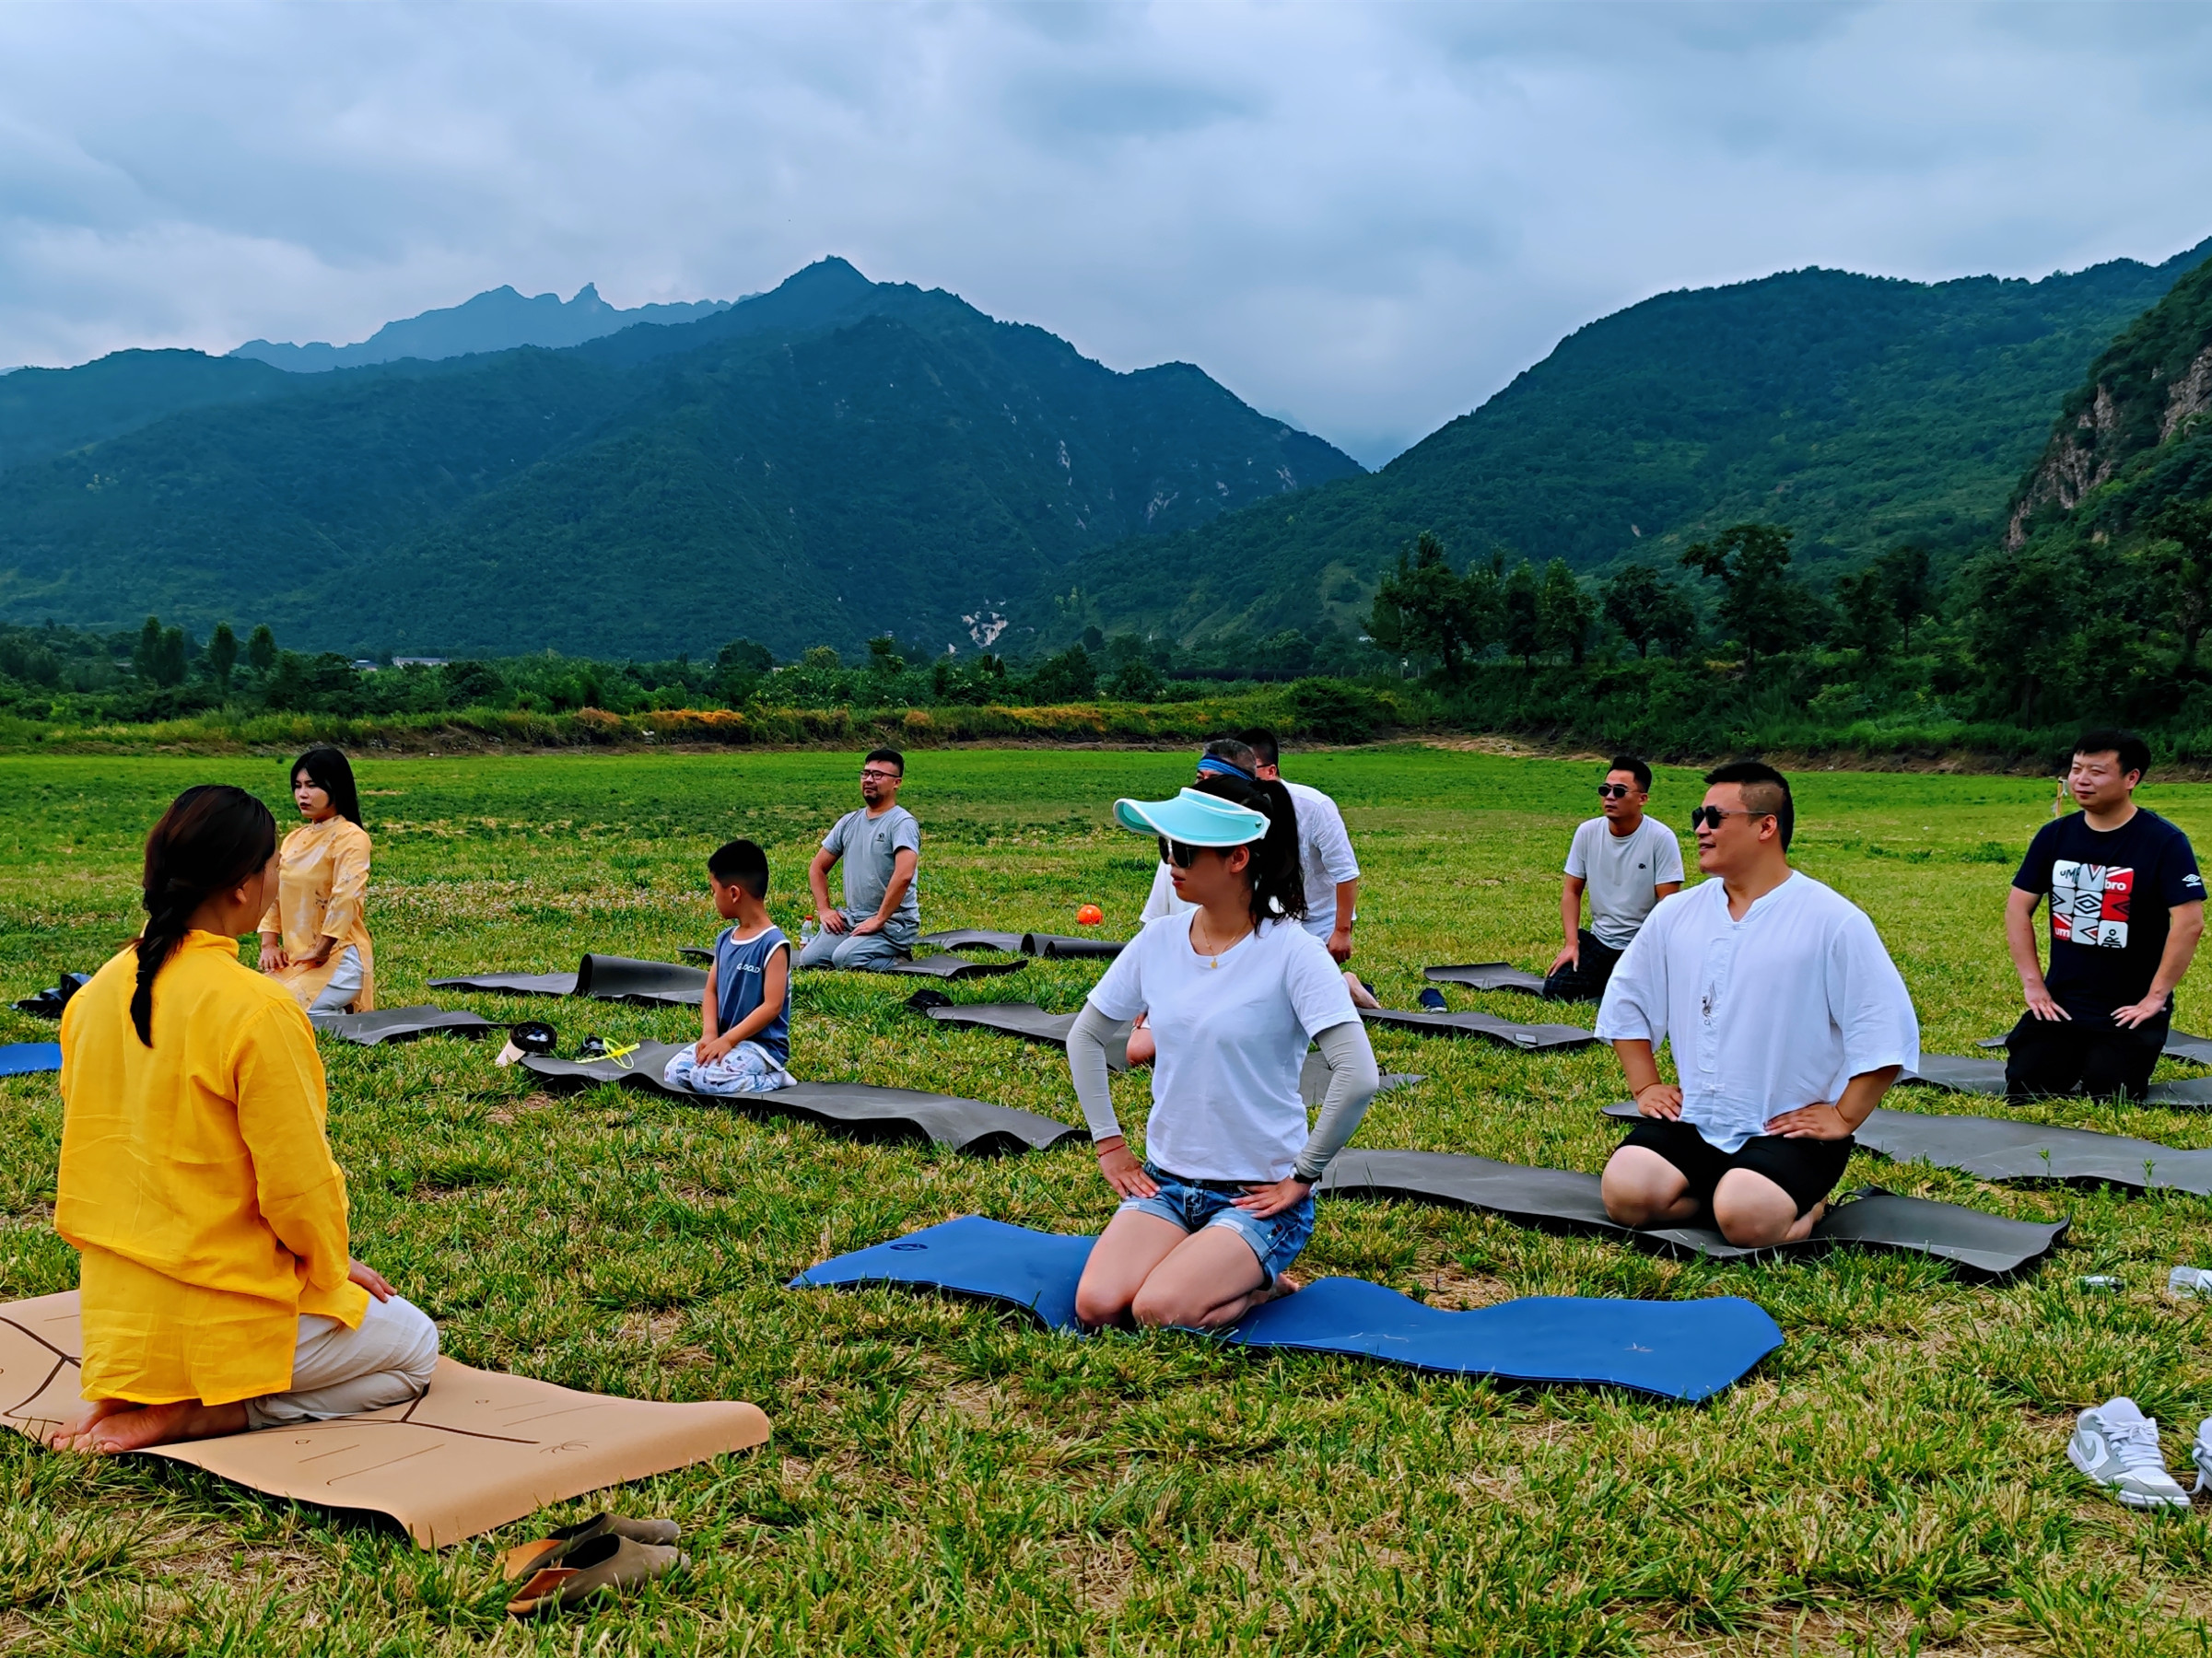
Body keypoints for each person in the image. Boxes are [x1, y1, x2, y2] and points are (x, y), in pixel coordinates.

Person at [50, 785, 437, 1454]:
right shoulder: (257, 1008)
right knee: (415, 1347)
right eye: (271, 868)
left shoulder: (96, 994)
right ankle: (201, 1414)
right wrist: (328, 1262)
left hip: (122, 1316)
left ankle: (141, 1388)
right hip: (218, 1302)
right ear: (241, 887)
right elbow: (296, 1180)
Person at [1067, 773, 1382, 1330]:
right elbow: (1086, 1036)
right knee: (1097, 1307)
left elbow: (1357, 1074)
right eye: (1167, 849)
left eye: (1186, 850)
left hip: (1256, 1196)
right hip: (1166, 1184)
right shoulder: (1159, 941)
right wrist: (1109, 1145)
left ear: (1238, 859)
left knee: (1160, 1312)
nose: (1172, 864)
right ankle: (1219, 1263)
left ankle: (1262, 1283)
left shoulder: (1294, 954)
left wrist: (1302, 1177)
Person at [1596, 760, 1919, 1248]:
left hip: (1786, 1129)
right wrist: (1645, 1085)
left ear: (1766, 826)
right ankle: (1727, 1192)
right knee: (1627, 1196)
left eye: (1715, 817)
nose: (1701, 829)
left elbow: (1885, 1029)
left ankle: (1804, 1201)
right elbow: (1627, 1001)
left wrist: (1843, 1116)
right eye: (1697, 817)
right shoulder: (1676, 914)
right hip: (1698, 1119)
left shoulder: (1831, 920)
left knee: (1748, 1223)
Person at [2005, 728, 2206, 1103]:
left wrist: (2155, 998)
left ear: (2132, 779)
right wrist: (2033, 984)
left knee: (2111, 1090)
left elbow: (2189, 922)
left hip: (2128, 1008)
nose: (2081, 780)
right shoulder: (2054, 836)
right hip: (2063, 1001)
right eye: (2077, 769)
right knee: (2028, 1085)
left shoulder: (2163, 841)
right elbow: (2018, 906)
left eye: (2096, 772)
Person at [1546, 754, 1684, 1003]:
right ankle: (1610, 985)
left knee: (1654, 999)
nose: (1610, 797)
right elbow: (1571, 892)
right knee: (1556, 989)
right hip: (1600, 941)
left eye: (1619, 791)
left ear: (1642, 799)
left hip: (1642, 944)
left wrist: (1652, 954)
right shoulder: (1587, 832)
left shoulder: (1660, 838)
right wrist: (1571, 944)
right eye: (1605, 789)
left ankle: (1617, 986)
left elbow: (1668, 906)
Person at [665, 839, 795, 1095]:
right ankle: (722, 1065)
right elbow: (711, 991)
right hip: (725, 1040)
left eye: (714, 891)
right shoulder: (725, 939)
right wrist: (710, 1034)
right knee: (674, 1073)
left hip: (761, 1048)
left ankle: (776, 1078)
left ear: (734, 893)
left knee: (707, 1080)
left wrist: (729, 1040)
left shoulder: (774, 944)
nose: (713, 898)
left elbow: (772, 1006)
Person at [257, 747, 376, 1014]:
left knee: (281, 1010)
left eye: (312, 785)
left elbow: (345, 896)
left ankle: (337, 1011)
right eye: (297, 786)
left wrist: (323, 948)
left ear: (336, 787)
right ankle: (331, 1011)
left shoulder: (351, 838)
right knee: (255, 1000)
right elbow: (274, 891)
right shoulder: (294, 839)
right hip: (296, 961)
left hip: (338, 958)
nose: (302, 794)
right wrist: (269, 944)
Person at [1241, 729, 1363, 966]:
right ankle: (1350, 986)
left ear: (1271, 770)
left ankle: (1349, 986)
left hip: (1319, 919)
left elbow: (1346, 873)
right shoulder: (1239, 807)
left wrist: (1341, 931)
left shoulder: (1315, 807)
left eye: (1248, 772)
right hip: (1269, 917)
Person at [800, 748, 921, 972]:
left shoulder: (902, 823)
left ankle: (898, 958)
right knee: (811, 958)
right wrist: (824, 910)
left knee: (845, 959)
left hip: (893, 923)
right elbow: (817, 868)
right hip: (853, 919)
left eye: (878, 775)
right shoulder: (849, 822)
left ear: (897, 783)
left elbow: (904, 875)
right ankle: (860, 945)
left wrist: (879, 919)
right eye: (865, 774)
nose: (869, 780)